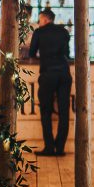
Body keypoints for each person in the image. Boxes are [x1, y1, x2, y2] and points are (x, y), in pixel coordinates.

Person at [29, 9, 71, 156]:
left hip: (48, 74)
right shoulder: (64, 31)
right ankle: (60, 148)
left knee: (46, 111)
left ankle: (49, 147)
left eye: (40, 19)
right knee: (64, 112)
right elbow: (67, 53)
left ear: (46, 19)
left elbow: (31, 53)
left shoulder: (39, 32)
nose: (39, 22)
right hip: (64, 74)